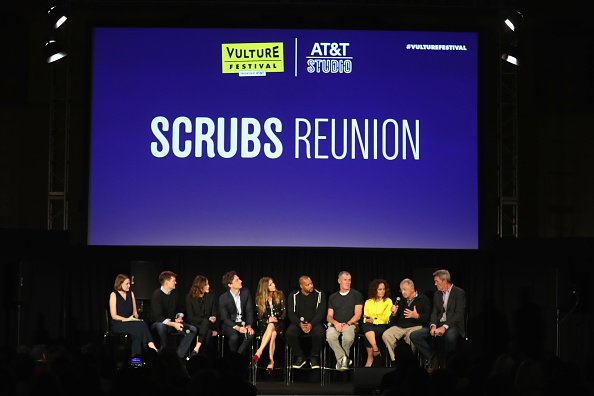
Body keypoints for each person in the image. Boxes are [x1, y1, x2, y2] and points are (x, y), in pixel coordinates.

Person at [410, 269, 466, 371]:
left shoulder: (459, 293)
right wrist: (433, 326)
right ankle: (433, 357)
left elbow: (458, 314)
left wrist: (444, 327)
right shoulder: (437, 294)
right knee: (415, 335)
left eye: (437, 281)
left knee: (450, 336)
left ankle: (448, 366)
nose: (435, 284)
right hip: (439, 324)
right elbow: (434, 313)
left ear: (445, 281)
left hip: (454, 325)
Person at [150, 270, 198, 358]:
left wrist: (179, 316)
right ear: (166, 282)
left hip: (172, 323)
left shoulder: (175, 293)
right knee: (161, 326)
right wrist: (174, 324)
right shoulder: (156, 295)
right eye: (173, 281)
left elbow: (180, 308)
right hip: (158, 323)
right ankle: (163, 355)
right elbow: (158, 317)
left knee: (192, 329)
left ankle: (178, 356)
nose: (175, 282)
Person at [381, 278, 430, 363]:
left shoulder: (423, 299)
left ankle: (408, 361)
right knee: (386, 335)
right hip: (400, 327)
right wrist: (394, 314)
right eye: (401, 290)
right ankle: (396, 360)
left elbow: (427, 318)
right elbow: (392, 322)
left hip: (415, 326)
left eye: (405, 289)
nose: (403, 292)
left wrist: (417, 316)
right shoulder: (400, 300)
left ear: (412, 288)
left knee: (411, 336)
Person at [108, 274, 158, 356]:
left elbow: (135, 312)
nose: (129, 285)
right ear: (120, 284)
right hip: (118, 323)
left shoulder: (131, 294)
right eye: (126, 284)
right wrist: (127, 319)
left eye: (129, 283)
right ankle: (150, 346)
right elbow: (114, 316)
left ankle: (135, 361)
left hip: (131, 322)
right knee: (141, 325)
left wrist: (135, 317)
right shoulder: (114, 295)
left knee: (138, 332)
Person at [286, 275, 326, 369]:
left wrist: (311, 324)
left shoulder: (319, 294)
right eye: (307, 285)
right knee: (290, 333)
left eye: (311, 283)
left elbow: (321, 313)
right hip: (298, 323)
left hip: (314, 323)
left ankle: (313, 357)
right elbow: (291, 314)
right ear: (301, 286)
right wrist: (300, 324)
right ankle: (300, 356)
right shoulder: (293, 296)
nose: (311, 286)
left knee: (319, 333)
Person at [326, 270, 363, 371]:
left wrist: (348, 324)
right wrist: (335, 323)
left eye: (349, 280)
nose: (348, 282)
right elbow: (329, 316)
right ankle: (344, 359)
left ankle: (341, 361)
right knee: (330, 336)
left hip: (351, 324)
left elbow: (358, 314)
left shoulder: (356, 295)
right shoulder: (333, 297)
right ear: (339, 281)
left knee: (347, 338)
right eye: (345, 280)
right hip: (336, 324)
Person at [252, 277, 286, 374]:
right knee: (273, 333)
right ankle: (271, 361)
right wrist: (268, 320)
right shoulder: (259, 298)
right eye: (270, 284)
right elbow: (260, 317)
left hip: (279, 323)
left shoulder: (280, 294)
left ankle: (259, 351)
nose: (274, 285)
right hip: (265, 326)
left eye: (273, 283)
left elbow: (283, 313)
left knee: (273, 327)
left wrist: (275, 319)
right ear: (265, 287)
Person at [218, 270, 255, 355]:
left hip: (243, 322)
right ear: (230, 285)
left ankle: (237, 357)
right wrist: (238, 328)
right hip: (230, 324)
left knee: (250, 335)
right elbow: (224, 318)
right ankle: (234, 358)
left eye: (239, 279)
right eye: (237, 280)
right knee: (234, 337)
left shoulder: (246, 292)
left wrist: (249, 325)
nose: (241, 281)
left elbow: (249, 311)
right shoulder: (223, 298)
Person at [361, 279, 393, 367]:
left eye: (383, 289)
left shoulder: (388, 301)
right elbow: (365, 317)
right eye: (380, 289)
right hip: (369, 325)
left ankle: (370, 358)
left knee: (367, 334)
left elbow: (386, 318)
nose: (382, 291)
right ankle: (375, 348)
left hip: (383, 325)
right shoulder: (368, 302)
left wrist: (374, 319)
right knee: (366, 326)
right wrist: (370, 319)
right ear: (374, 290)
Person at [186, 274, 218, 358]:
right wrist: (207, 319)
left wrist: (214, 320)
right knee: (207, 330)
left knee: (207, 328)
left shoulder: (211, 295)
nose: (208, 286)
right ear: (200, 286)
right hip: (195, 323)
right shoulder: (189, 297)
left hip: (208, 324)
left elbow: (214, 313)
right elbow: (191, 317)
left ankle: (196, 351)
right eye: (206, 284)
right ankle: (203, 357)